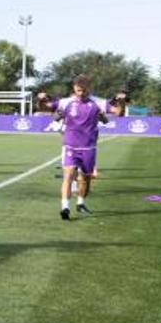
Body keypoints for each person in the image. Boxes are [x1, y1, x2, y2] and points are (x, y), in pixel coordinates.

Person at [53, 75, 110, 220]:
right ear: (74, 88)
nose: (80, 93)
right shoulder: (66, 102)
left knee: (86, 179)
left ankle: (80, 203)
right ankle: (65, 207)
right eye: (78, 91)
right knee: (68, 176)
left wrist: (104, 116)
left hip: (88, 147)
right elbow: (55, 116)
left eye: (83, 91)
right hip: (70, 145)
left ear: (89, 89)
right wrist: (58, 114)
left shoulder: (97, 103)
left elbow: (112, 116)